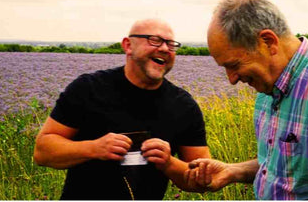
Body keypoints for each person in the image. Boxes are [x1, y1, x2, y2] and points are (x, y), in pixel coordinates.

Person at [185, 0, 308, 200]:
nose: (231, 79)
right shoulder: (269, 88)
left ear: (268, 42)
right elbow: (283, 166)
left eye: (234, 65)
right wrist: (233, 171)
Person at [34, 18, 210, 200]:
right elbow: (43, 152)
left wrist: (169, 163)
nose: (165, 48)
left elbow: (203, 178)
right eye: (154, 40)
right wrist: (93, 148)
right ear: (128, 45)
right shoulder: (87, 89)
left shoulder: (184, 106)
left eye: (171, 44)